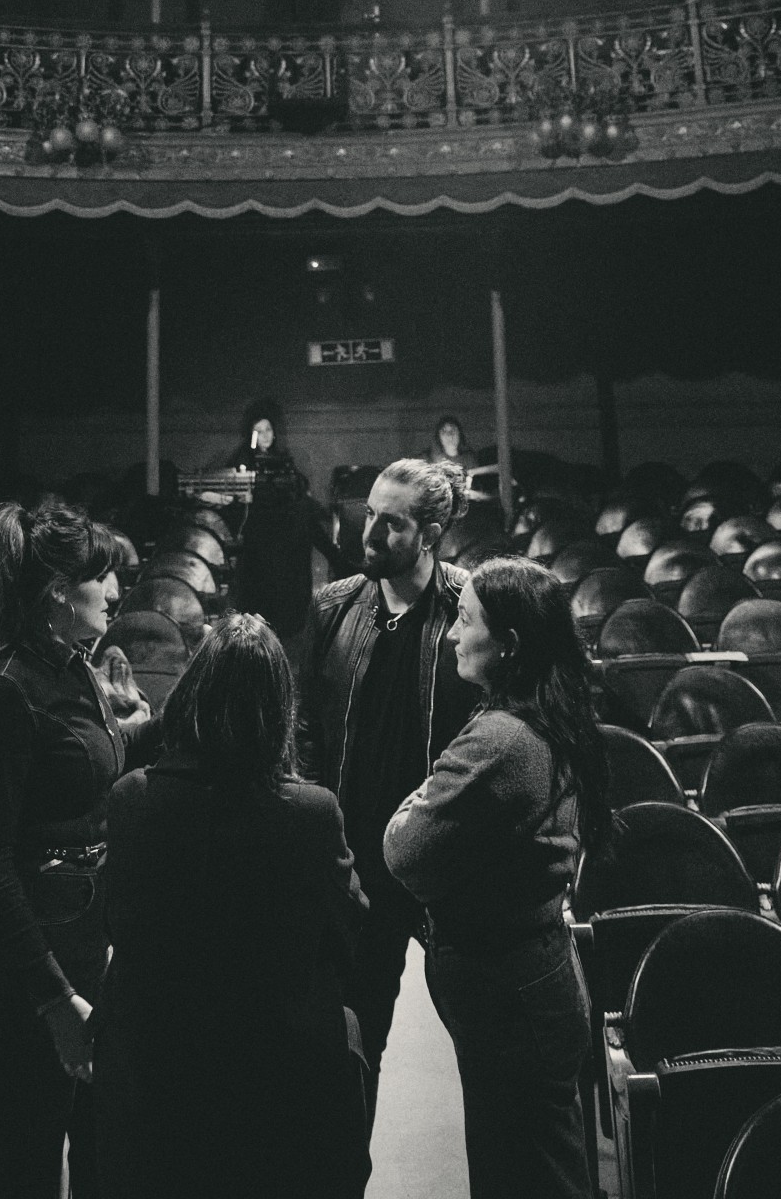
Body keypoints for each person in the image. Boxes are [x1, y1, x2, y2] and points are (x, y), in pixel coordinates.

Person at [94, 613, 369, 1199]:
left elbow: (117, 920)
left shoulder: (133, 800)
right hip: (275, 1069)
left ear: (189, 695)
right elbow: (345, 937)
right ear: (278, 710)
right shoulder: (312, 813)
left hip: (157, 1065)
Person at [0, 497, 162, 1199]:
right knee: (26, 1160)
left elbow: (85, 766)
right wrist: (54, 1000)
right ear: (56, 591)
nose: (114, 591)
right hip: (36, 963)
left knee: (104, 1148)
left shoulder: (75, 668)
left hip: (90, 932)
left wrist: (150, 722)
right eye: (101, 577)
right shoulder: (3, 695)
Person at [384, 558, 606, 1199]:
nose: (453, 633)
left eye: (466, 618)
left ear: (507, 644)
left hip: (509, 993)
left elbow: (404, 849)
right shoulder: (542, 714)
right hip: (526, 980)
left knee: (525, 1174)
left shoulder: (501, 743)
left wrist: (413, 803)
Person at [295, 455, 476, 1099]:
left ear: (431, 533)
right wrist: (319, 814)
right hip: (358, 870)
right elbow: (305, 723)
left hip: (442, 868)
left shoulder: (471, 607)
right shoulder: (334, 607)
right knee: (352, 1055)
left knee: (484, 1053)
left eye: (390, 523)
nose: (367, 536)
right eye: (367, 514)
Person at [230, 396, 341, 643]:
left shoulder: (284, 459)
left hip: (287, 535)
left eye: (268, 429)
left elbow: (295, 487)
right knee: (306, 514)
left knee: (306, 513)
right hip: (261, 534)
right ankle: (335, 556)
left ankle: (333, 551)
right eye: (258, 431)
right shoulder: (244, 460)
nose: (264, 435)